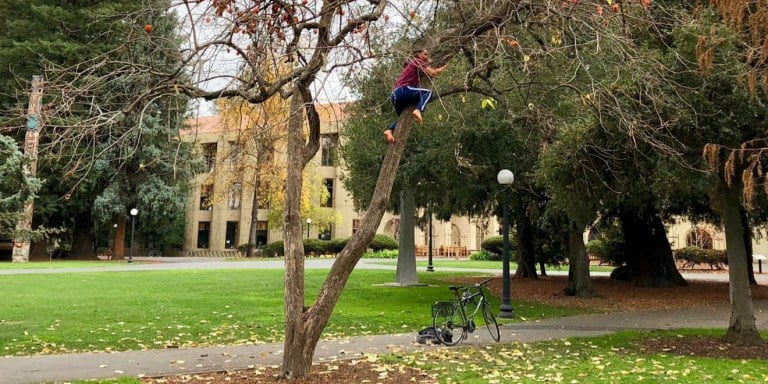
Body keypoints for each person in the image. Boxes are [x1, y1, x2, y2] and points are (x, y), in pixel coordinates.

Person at [384, 49, 447, 143]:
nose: (427, 56)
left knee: (402, 116)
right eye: (425, 54)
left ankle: (390, 130)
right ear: (418, 54)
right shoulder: (417, 61)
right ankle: (418, 110)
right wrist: (444, 67)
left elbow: (428, 64)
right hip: (403, 90)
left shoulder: (412, 65)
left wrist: (428, 60)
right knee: (427, 93)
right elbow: (432, 72)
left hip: (395, 96)